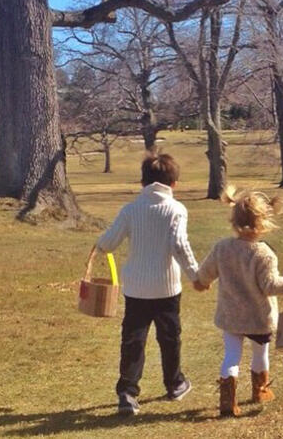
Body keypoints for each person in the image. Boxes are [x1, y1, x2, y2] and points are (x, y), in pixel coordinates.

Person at [95, 153, 202, 416]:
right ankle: (175, 383)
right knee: (170, 338)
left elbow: (107, 244)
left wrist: (101, 241)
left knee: (133, 339)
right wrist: (196, 275)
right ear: (173, 183)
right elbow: (179, 246)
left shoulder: (130, 210)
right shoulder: (176, 209)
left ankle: (128, 392)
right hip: (166, 287)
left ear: (143, 181)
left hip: (136, 287)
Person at [194, 185, 283, 417]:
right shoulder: (263, 253)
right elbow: (270, 286)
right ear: (263, 222)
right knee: (260, 355)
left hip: (230, 317)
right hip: (259, 318)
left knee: (231, 357)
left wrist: (201, 283)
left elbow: (205, 274)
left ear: (234, 221)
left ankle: (227, 399)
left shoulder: (222, 248)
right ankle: (260, 390)